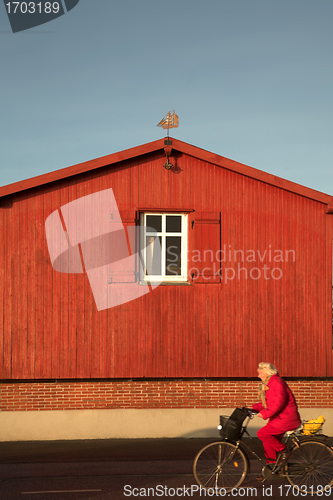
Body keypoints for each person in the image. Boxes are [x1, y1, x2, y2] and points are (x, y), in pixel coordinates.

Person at [252, 362, 301, 478]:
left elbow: (278, 403)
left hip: (287, 418)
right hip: (280, 418)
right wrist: (252, 408)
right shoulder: (270, 383)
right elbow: (269, 404)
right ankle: (271, 470)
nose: (258, 376)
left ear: (266, 372)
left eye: (260, 373)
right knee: (268, 441)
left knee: (262, 434)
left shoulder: (277, 382)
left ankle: (285, 451)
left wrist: (265, 414)